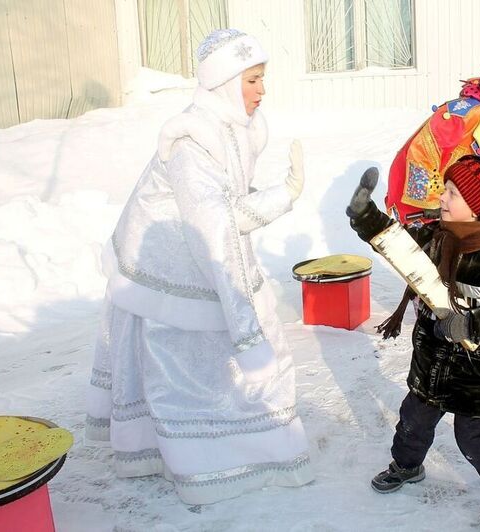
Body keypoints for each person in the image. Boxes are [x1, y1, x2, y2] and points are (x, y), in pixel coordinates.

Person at [85, 29, 313, 504]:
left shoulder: (236, 127)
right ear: (225, 84)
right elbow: (214, 229)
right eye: (252, 80)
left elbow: (227, 210)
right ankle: (201, 462)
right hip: (166, 267)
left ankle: (230, 445)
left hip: (195, 251)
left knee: (211, 359)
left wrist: (282, 195)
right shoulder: (193, 143)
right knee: (187, 367)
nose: (261, 90)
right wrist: (247, 331)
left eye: (262, 78)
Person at [347, 156, 480, 531]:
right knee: (413, 419)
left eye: (453, 193)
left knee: (474, 438)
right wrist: (364, 215)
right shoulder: (436, 235)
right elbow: (397, 241)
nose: (442, 196)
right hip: (433, 361)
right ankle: (407, 465)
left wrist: (470, 324)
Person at [385, 62, 480, 228]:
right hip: (422, 208)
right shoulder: (463, 114)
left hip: (451, 207)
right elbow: (421, 153)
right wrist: (438, 201)